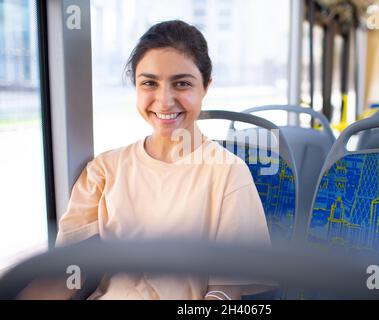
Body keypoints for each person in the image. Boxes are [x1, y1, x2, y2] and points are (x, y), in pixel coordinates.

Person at [21, 20, 272, 300]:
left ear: (206, 87)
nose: (164, 101)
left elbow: (225, 292)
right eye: (149, 83)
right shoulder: (104, 170)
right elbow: (68, 275)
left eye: (182, 84)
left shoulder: (228, 174)